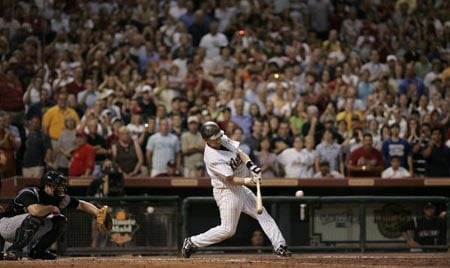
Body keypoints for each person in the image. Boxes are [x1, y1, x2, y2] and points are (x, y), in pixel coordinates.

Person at [181, 121, 291, 258]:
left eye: (219, 136)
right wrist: (248, 181)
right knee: (228, 230)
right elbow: (230, 179)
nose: (220, 139)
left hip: (240, 188)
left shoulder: (222, 138)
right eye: (216, 139)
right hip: (227, 191)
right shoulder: (212, 157)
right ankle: (192, 242)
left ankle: (280, 245)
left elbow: (239, 152)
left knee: (262, 214)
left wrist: (251, 166)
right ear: (207, 140)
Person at [0, 170, 105, 260]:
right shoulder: (29, 192)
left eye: (61, 186)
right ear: (47, 186)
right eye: (57, 186)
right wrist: (50, 207)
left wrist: (97, 212)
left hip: (25, 227)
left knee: (60, 220)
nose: (61, 189)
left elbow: (81, 204)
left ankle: (38, 252)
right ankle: (13, 251)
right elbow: (34, 211)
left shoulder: (57, 198)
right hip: (6, 226)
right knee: (34, 218)